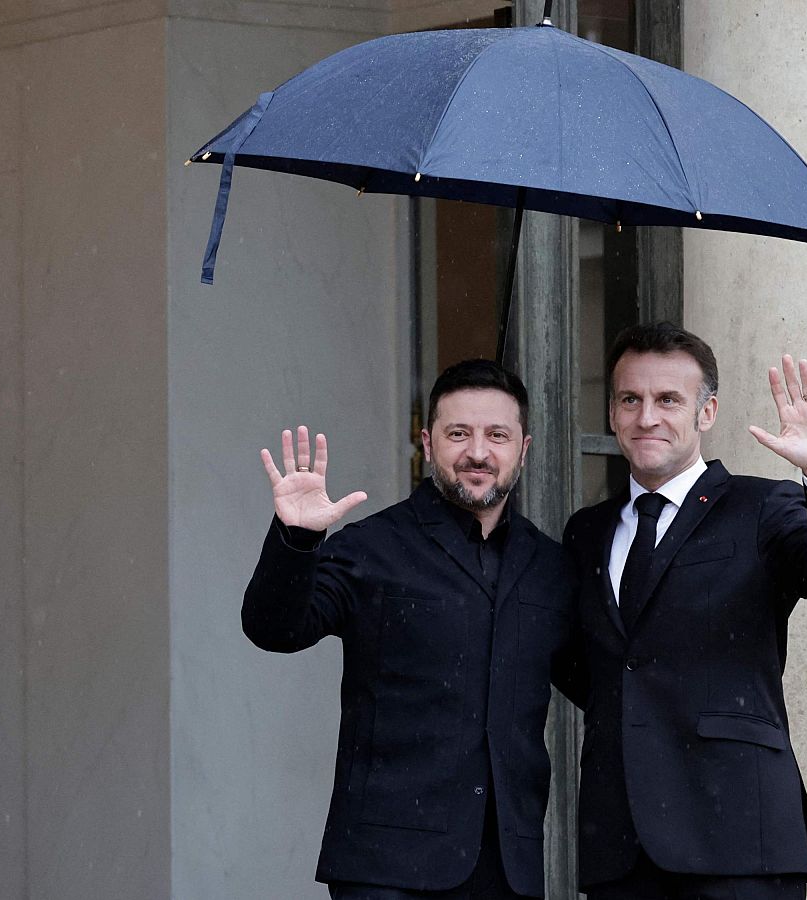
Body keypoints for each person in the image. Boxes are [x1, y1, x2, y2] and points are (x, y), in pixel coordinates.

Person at [242, 359, 582, 900]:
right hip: (385, 867)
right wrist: (297, 539)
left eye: (497, 436)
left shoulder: (549, 566)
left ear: (524, 449)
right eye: (458, 433)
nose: (478, 452)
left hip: (506, 869)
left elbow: (600, 682)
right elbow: (274, 628)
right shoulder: (373, 546)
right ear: (427, 443)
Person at [562, 321, 807, 900]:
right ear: (611, 413)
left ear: (706, 413)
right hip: (622, 842)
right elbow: (587, 665)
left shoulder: (762, 506)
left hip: (739, 836)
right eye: (630, 400)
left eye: (668, 400)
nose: (647, 417)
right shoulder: (587, 531)